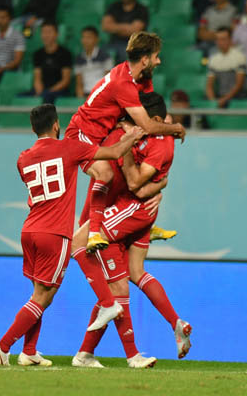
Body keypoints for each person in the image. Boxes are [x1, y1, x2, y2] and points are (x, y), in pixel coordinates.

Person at [0, 104, 145, 367]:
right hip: (55, 233)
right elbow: (115, 152)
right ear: (57, 125)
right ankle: (3, 347)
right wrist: (132, 135)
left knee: (38, 293)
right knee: (43, 297)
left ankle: (29, 351)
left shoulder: (23, 157)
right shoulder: (69, 147)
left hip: (29, 230)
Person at [64, 32, 185, 330]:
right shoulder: (123, 81)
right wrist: (175, 127)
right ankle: (94, 232)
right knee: (105, 174)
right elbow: (145, 123)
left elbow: (149, 110)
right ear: (145, 58)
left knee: (113, 177)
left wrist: (156, 185)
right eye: (156, 55)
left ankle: (83, 351)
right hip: (83, 136)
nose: (159, 60)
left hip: (105, 140)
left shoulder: (140, 80)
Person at [72, 92, 191, 368]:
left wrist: (156, 185)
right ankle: (174, 323)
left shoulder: (138, 134)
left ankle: (127, 354)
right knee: (134, 274)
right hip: (122, 207)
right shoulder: (130, 128)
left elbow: (136, 182)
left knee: (111, 282)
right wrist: (159, 185)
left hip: (126, 208)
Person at [30, 21, 72, 103]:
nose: (46, 35)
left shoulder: (65, 53)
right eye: (43, 32)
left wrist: (49, 91)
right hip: (42, 90)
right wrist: (39, 92)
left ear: (57, 34)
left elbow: (65, 80)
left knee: (47, 97)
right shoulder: (37, 54)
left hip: (59, 91)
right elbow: (37, 78)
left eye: (49, 32)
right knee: (21, 97)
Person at [206, 27, 247, 107]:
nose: (220, 42)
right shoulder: (213, 59)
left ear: (230, 40)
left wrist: (224, 100)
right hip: (220, 98)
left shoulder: (239, 57)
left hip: (237, 99)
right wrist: (213, 101)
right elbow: (209, 86)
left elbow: (239, 85)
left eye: (223, 39)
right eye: (218, 39)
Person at [102, 0, 149, 64]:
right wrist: (127, 27)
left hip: (135, 44)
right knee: (100, 53)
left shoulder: (141, 9)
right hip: (114, 42)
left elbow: (134, 30)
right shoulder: (114, 7)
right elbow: (105, 26)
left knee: (126, 53)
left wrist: (115, 27)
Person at [74, 26, 114, 98]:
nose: (85, 40)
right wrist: (80, 99)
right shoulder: (78, 59)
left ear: (97, 39)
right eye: (83, 37)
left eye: (89, 37)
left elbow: (108, 80)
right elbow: (79, 83)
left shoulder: (105, 56)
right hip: (85, 95)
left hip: (101, 94)